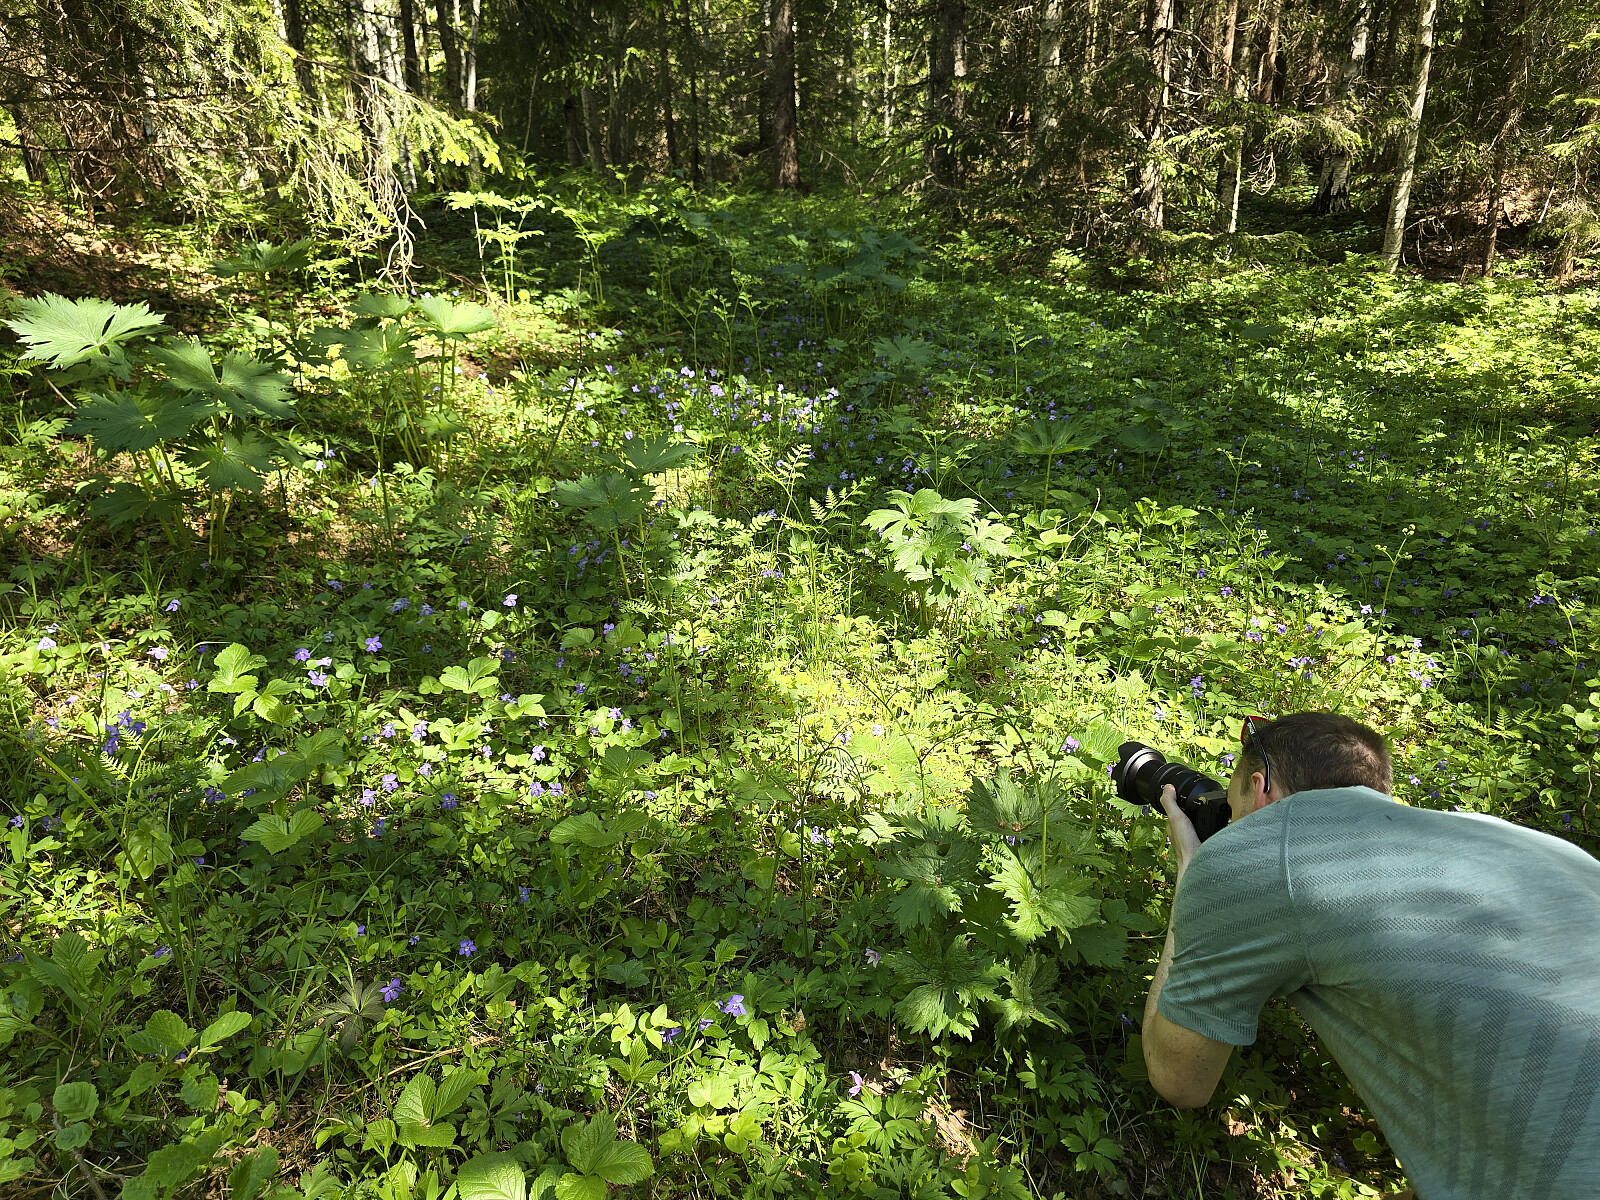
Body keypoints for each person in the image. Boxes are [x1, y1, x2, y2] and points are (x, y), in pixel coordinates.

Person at [1141, 710, 1600, 1199]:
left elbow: (1179, 1080)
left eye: (1231, 812)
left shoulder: (1266, 851)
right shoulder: (1516, 843)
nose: (1231, 827)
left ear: (1259, 789)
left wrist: (1192, 875)